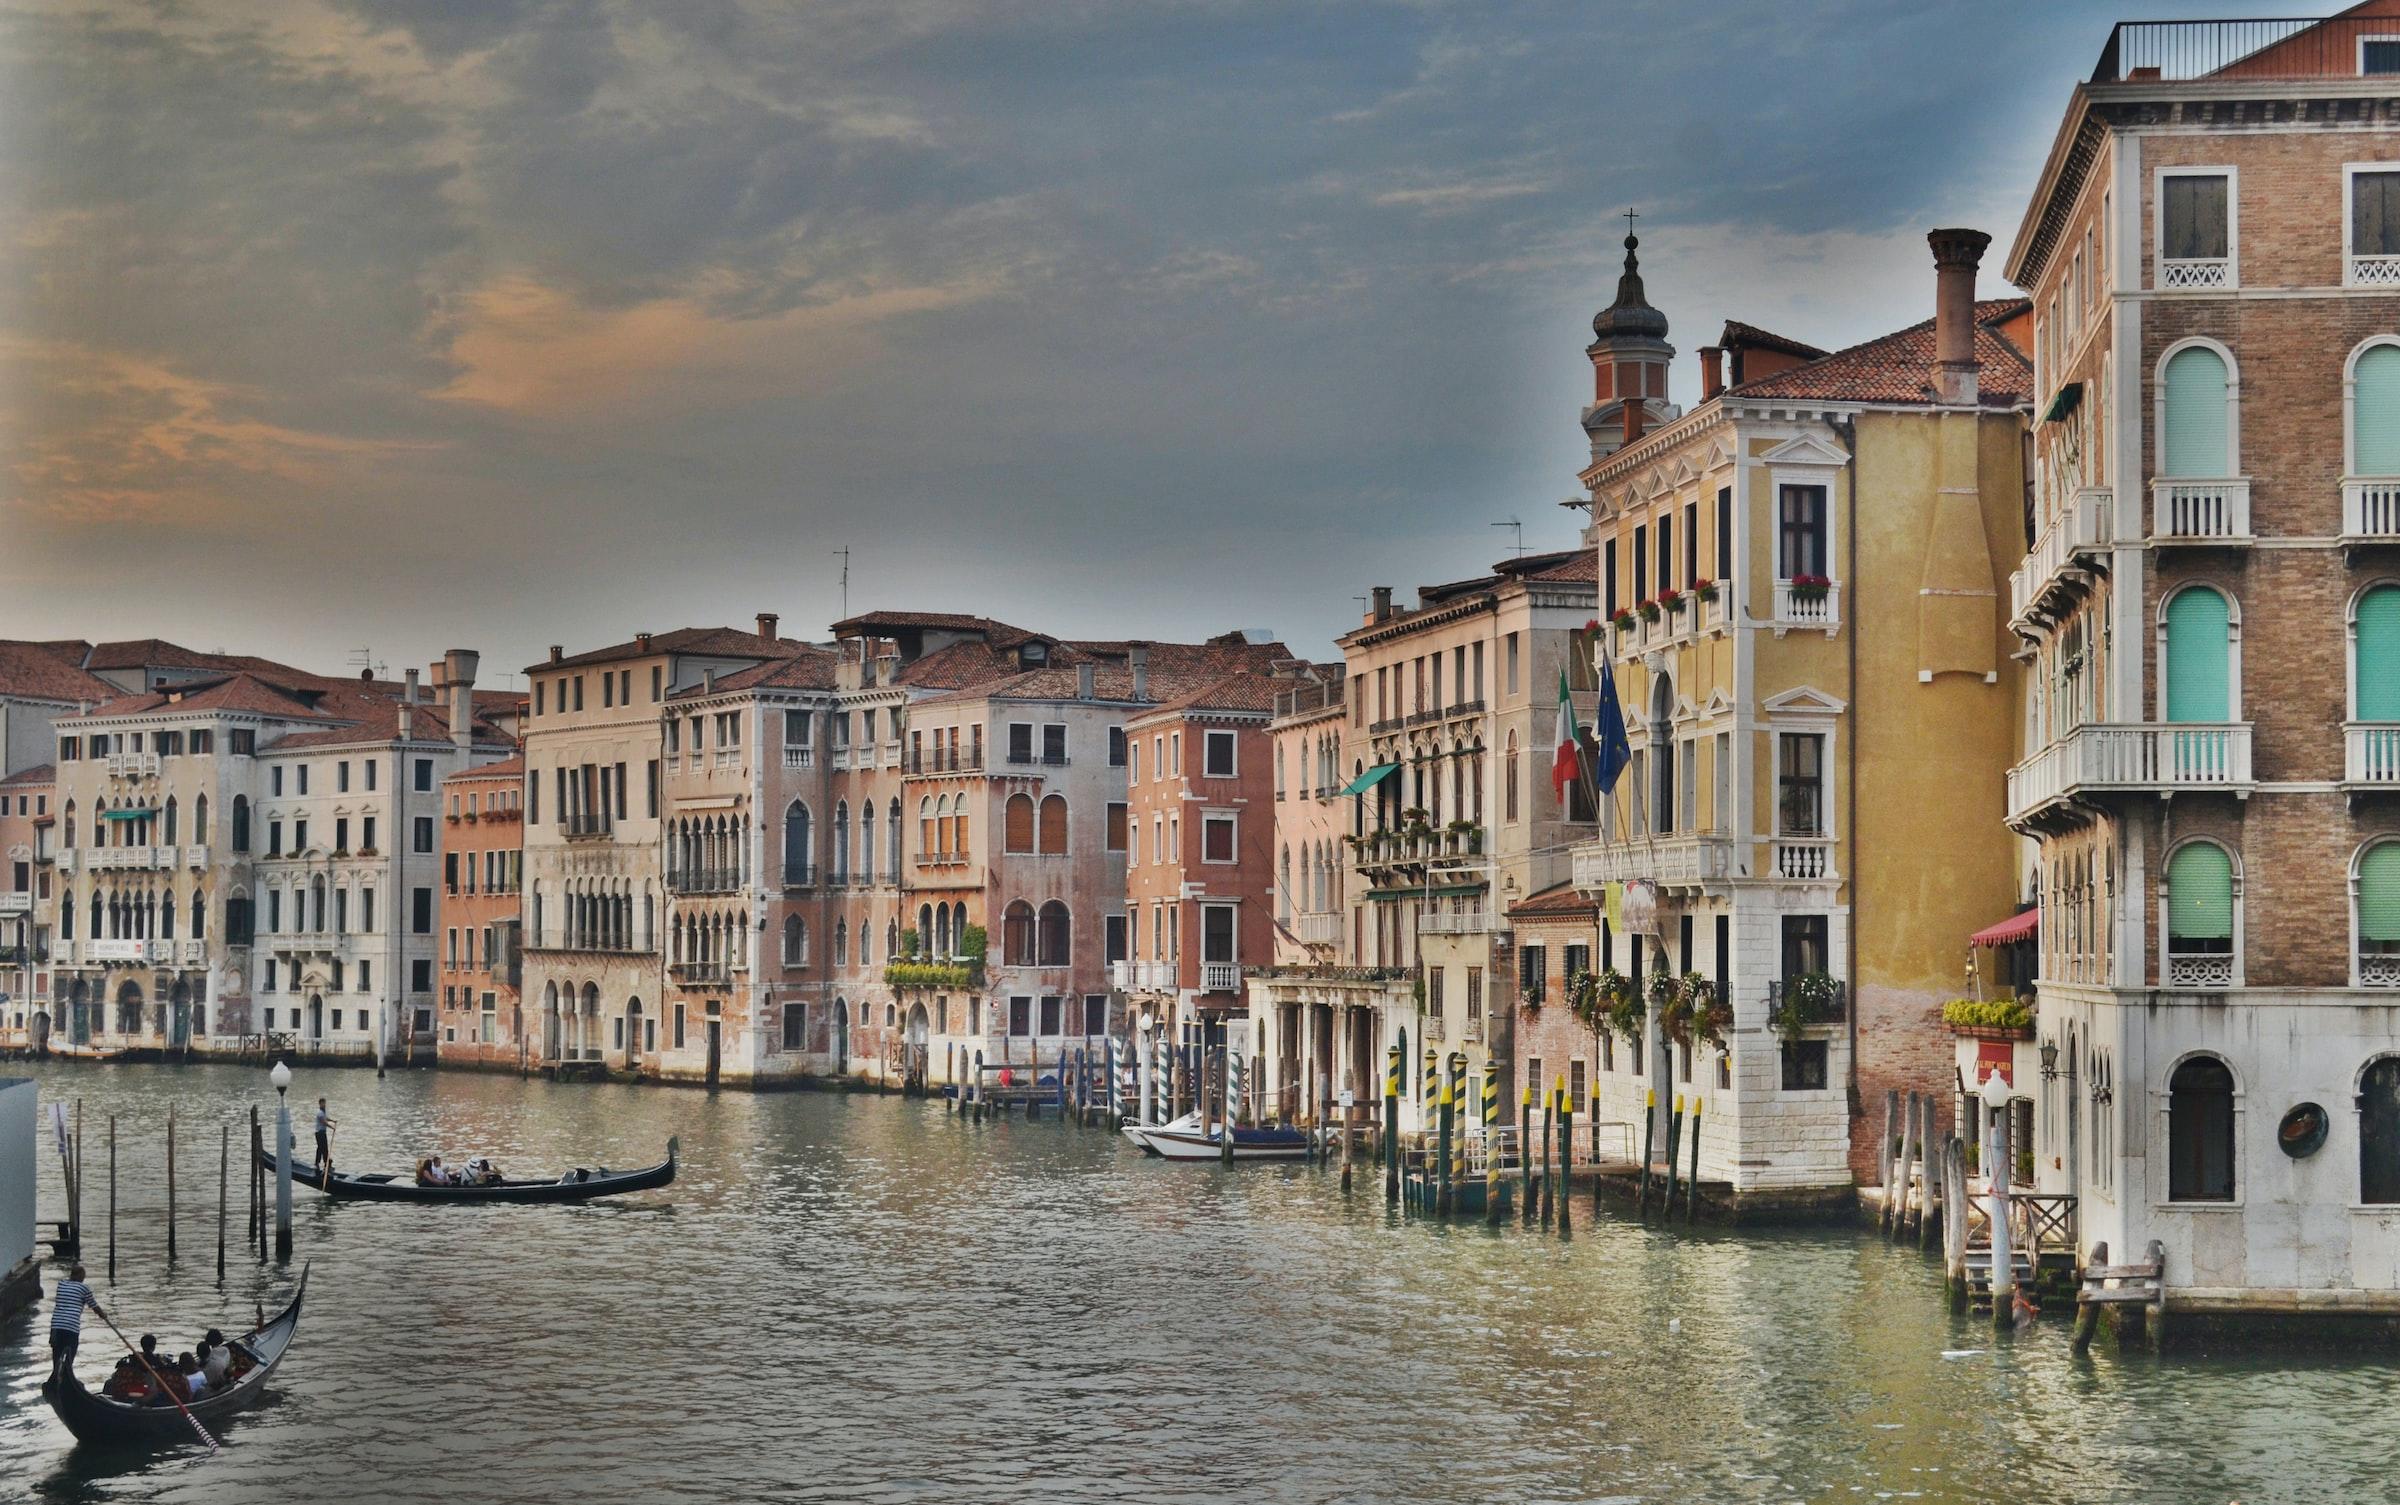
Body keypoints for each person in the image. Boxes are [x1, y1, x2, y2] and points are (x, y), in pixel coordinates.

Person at [47, 1264, 101, 1384]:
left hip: (56, 1326)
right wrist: (103, 1315)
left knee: (57, 1354)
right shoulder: (84, 1288)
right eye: (82, 1276)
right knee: (69, 1355)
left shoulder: (61, 1284)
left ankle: (56, 1378)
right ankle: (64, 1380)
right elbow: (94, 1306)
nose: (83, 1279)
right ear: (78, 1276)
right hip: (71, 1327)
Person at [313, 1096, 335, 1178]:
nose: (325, 1104)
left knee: (321, 1148)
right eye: (323, 1103)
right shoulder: (320, 1113)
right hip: (319, 1133)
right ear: (320, 1104)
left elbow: (326, 1119)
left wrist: (332, 1121)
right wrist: (332, 1127)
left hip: (322, 1133)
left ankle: (319, 1163)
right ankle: (326, 1164)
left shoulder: (323, 1112)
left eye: (325, 1103)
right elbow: (324, 1122)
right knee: (323, 1148)